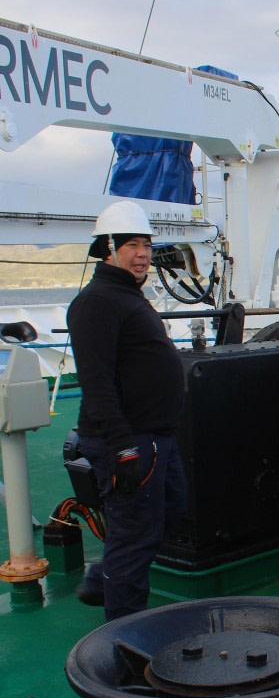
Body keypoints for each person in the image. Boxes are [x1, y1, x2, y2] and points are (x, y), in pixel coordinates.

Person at [67, 200, 187, 621]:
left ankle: (103, 581)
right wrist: (122, 448)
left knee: (170, 513)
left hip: (156, 436)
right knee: (135, 534)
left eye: (147, 245)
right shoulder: (97, 302)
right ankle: (123, 634)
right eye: (132, 245)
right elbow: (96, 382)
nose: (142, 254)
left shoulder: (126, 295)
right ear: (108, 248)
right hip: (130, 439)